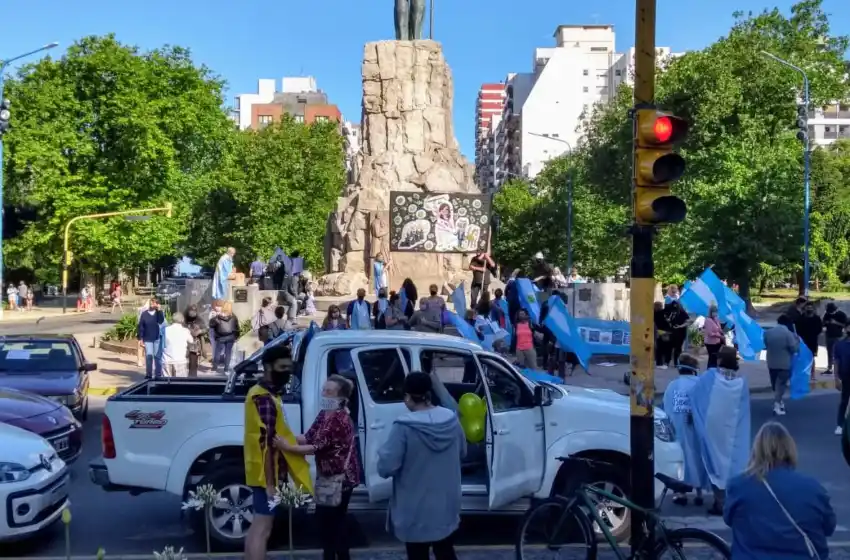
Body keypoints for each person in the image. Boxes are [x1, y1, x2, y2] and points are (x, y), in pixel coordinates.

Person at [377, 372, 465, 560]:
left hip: (415, 507)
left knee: (417, 554)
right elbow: (462, 452)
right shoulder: (451, 419)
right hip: (446, 503)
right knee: (446, 551)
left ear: (408, 397)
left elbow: (386, 467)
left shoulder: (404, 427)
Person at [275, 375, 360, 560]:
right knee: (328, 523)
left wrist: (288, 447)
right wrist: (285, 436)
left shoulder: (339, 419)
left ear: (340, 397)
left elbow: (315, 447)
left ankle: (338, 556)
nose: (324, 394)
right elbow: (308, 436)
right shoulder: (325, 413)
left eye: (329, 391)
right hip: (328, 476)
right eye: (324, 390)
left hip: (341, 479)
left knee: (332, 523)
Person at [724, 422, 835, 559]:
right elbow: (829, 527)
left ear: (756, 450)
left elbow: (728, 519)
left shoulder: (738, 486)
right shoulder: (814, 489)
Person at [243, 345, 313, 560]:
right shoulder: (264, 398)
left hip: (264, 473)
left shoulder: (267, 394)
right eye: (282, 367)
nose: (286, 372)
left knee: (259, 526)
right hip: (266, 475)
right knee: (263, 528)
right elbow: (267, 444)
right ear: (267, 367)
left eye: (288, 367)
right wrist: (271, 484)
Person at [689, 346, 751, 515]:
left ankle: (719, 501)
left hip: (712, 428)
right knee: (730, 464)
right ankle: (729, 500)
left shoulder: (710, 377)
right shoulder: (741, 382)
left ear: (720, 360)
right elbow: (744, 410)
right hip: (732, 430)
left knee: (714, 461)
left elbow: (695, 396)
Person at [662, 353, 707, 506]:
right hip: (697, 429)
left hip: (678, 428)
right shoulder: (700, 384)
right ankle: (699, 492)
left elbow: (666, 407)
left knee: (680, 459)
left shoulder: (672, 386)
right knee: (699, 457)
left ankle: (680, 493)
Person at [763, 314, 799, 416]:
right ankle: (777, 404)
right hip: (784, 363)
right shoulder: (788, 334)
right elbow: (794, 349)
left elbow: (766, 345)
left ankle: (779, 401)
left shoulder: (768, 332)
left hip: (771, 362)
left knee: (775, 384)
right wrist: (796, 341)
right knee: (781, 385)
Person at [137, 298, 166, 379]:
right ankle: (149, 374)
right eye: (151, 302)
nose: (151, 304)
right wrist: (140, 338)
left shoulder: (158, 313)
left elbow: (161, 321)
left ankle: (158, 375)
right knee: (149, 356)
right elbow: (141, 326)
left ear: (157, 304)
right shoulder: (144, 314)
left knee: (157, 357)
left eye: (154, 303)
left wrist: (159, 310)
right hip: (147, 338)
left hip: (157, 338)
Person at [209, 301, 239, 371]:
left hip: (220, 336)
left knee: (217, 352)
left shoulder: (218, 317)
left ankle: (215, 367)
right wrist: (237, 336)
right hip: (231, 336)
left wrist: (215, 317)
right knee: (228, 352)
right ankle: (226, 368)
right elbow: (237, 328)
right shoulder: (234, 317)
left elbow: (211, 325)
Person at [832, 322, 850, 435]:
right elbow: (836, 362)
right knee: (844, 400)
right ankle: (840, 424)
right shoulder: (839, 345)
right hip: (846, 376)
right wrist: (836, 378)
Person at [162, 313, 193, 377]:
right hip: (180, 361)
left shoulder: (165, 330)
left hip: (167, 360)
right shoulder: (185, 331)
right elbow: (191, 341)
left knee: (166, 384)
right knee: (180, 384)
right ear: (182, 320)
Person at [796, 301, 823, 377]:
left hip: (813, 340)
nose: (809, 309)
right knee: (802, 357)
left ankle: (812, 374)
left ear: (813, 309)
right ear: (805, 309)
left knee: (812, 357)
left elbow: (819, 329)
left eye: (811, 308)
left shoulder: (817, 319)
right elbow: (797, 330)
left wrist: (814, 333)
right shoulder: (801, 318)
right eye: (808, 307)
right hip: (803, 340)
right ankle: (804, 372)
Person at [823, 302, 847, 375]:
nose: (831, 313)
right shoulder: (827, 314)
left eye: (831, 311)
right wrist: (826, 322)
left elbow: (845, 325)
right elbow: (823, 322)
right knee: (829, 352)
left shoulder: (841, 315)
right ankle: (829, 368)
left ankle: (841, 368)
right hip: (829, 335)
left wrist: (835, 322)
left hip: (838, 336)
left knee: (839, 352)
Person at [184, 305, 206, 377]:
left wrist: (200, 331)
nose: (192, 313)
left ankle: (192, 377)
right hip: (184, 343)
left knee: (193, 362)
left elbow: (205, 329)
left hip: (195, 344)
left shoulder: (199, 319)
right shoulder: (184, 319)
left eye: (194, 311)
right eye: (191, 311)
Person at [665, 300, 690, 366]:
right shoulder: (671, 311)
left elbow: (688, 321)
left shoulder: (682, 312)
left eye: (676, 305)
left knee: (677, 348)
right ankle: (667, 361)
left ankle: (676, 362)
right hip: (671, 332)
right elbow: (667, 319)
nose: (674, 307)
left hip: (680, 333)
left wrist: (680, 326)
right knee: (669, 347)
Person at [702, 304, 725, 369]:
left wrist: (721, 332)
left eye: (716, 312)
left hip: (717, 342)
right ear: (711, 312)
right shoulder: (708, 320)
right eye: (714, 312)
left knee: (715, 358)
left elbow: (718, 328)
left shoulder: (716, 319)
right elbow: (710, 333)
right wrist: (719, 336)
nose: (716, 313)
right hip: (710, 343)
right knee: (712, 358)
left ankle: (714, 371)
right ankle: (710, 371)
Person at [654, 301, 673, 369]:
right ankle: (666, 362)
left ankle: (659, 362)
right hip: (665, 332)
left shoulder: (653, 313)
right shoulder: (664, 313)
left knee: (659, 348)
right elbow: (667, 323)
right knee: (667, 348)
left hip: (658, 332)